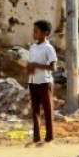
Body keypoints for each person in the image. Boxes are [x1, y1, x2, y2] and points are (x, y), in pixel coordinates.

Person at [26, 19, 58, 147]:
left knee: (47, 110)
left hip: (44, 82)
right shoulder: (33, 47)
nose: (34, 34)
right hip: (33, 81)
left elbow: (53, 67)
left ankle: (49, 139)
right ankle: (36, 138)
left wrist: (36, 65)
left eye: (36, 31)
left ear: (45, 33)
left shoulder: (49, 48)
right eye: (33, 31)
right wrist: (29, 67)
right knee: (35, 111)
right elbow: (30, 62)